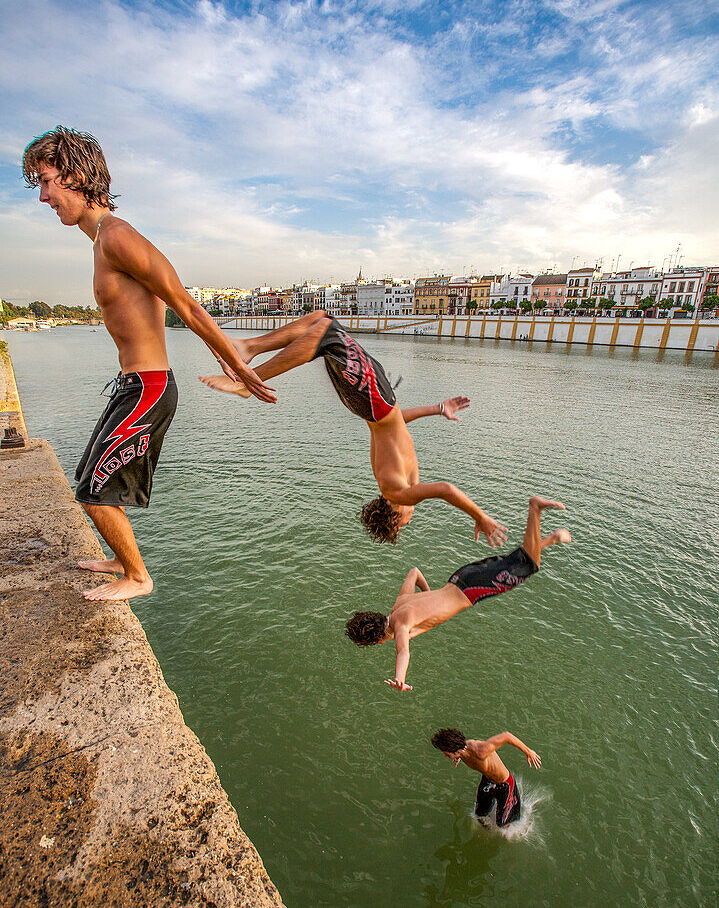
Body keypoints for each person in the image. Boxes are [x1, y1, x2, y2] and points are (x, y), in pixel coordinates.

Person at [22, 126, 276, 602]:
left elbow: (185, 302)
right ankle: (121, 559)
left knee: (95, 495)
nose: (43, 196)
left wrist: (240, 368)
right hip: (131, 384)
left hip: (150, 387)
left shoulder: (118, 237)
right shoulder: (100, 241)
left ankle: (138, 576)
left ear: (76, 175)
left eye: (46, 181)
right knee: (89, 478)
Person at [199, 313, 507, 546]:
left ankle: (247, 383)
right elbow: (398, 423)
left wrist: (480, 517)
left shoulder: (397, 491)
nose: (412, 517)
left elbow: (445, 489)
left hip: (375, 401)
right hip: (377, 405)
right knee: (323, 321)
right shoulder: (397, 479)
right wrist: (439, 409)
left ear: (396, 518)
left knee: (324, 332)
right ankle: (250, 348)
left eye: (405, 525)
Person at [345, 496, 570, 690]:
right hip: (460, 578)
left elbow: (403, 652)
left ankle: (535, 508)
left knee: (528, 566)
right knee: (515, 564)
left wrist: (399, 678)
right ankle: (550, 540)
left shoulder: (401, 625)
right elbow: (414, 572)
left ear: (377, 640)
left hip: (472, 590)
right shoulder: (399, 603)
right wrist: (428, 593)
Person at [430, 727, 541, 827]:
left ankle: (511, 814)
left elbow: (507, 736)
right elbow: (460, 753)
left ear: (457, 751)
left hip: (505, 784)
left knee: (502, 824)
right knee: (479, 815)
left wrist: (528, 752)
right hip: (488, 781)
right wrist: (458, 758)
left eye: (447, 754)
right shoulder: (461, 751)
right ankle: (487, 830)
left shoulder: (480, 750)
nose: (445, 756)